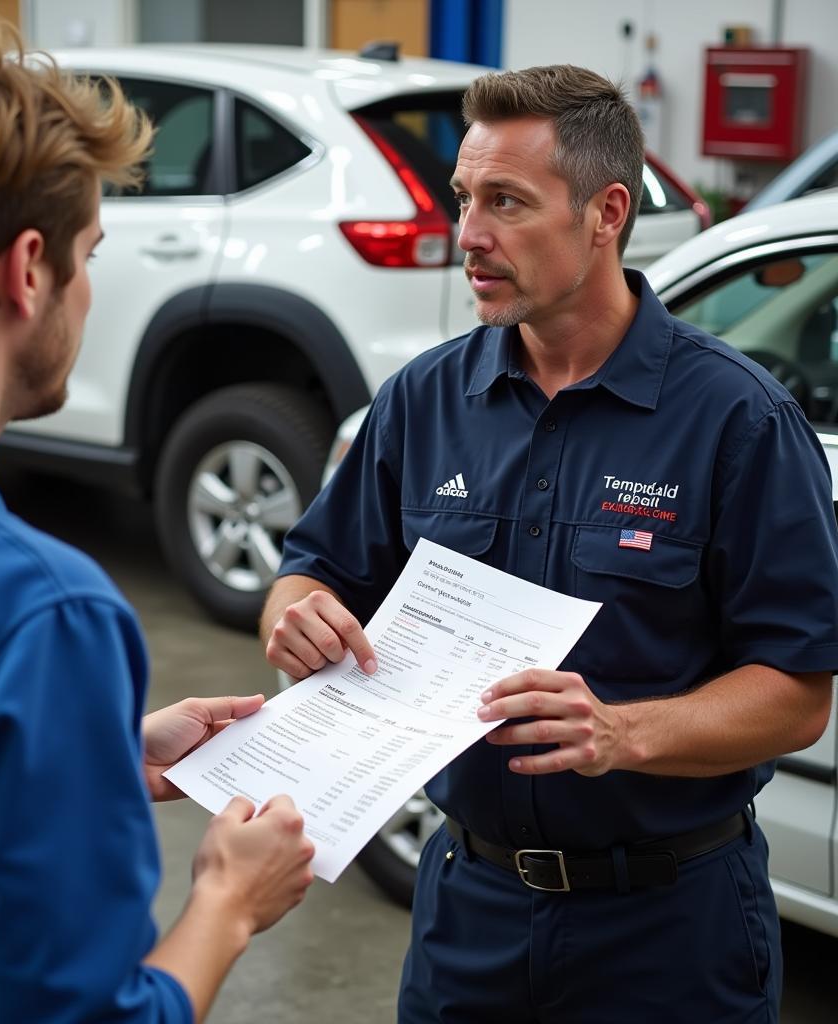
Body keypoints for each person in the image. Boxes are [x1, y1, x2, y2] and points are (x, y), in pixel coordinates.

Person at [262, 64, 838, 1023]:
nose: (469, 236)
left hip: (669, 930)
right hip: (469, 913)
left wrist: (621, 733)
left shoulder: (738, 421)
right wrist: (295, 613)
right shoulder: (424, 400)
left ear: (607, 212)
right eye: (463, 199)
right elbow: (314, 568)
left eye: (507, 202)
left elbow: (798, 695)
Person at [0, 21, 314, 1024]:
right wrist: (224, 902)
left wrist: (86, 750)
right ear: (27, 269)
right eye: (89, 253)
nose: (86, 290)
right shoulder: (37, 614)